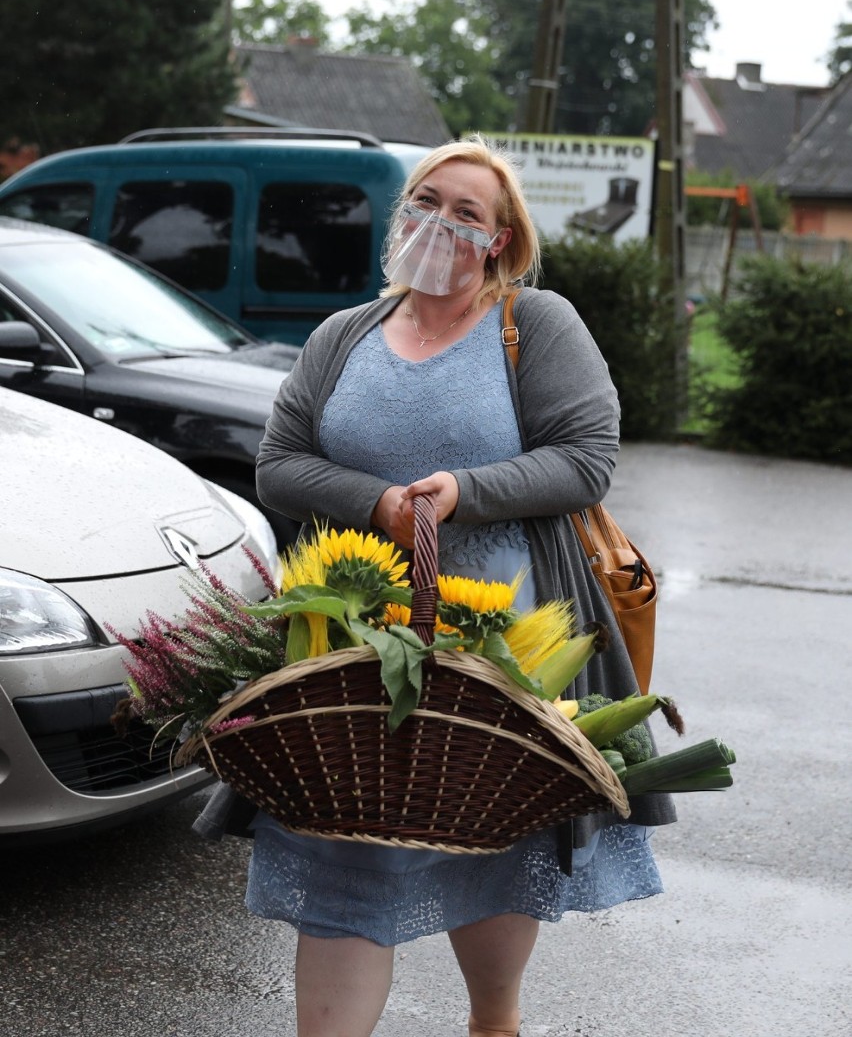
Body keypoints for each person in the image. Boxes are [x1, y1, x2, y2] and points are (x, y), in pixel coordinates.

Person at [197, 135, 676, 1037]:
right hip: (342, 647)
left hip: (501, 647)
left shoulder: (535, 325)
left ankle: (493, 1020)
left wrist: (465, 493)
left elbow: (588, 458)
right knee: (342, 846)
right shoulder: (346, 335)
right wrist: (376, 503)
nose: (441, 223)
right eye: (426, 201)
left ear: (500, 241)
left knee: (490, 835)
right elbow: (278, 465)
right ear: (400, 215)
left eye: (468, 213)